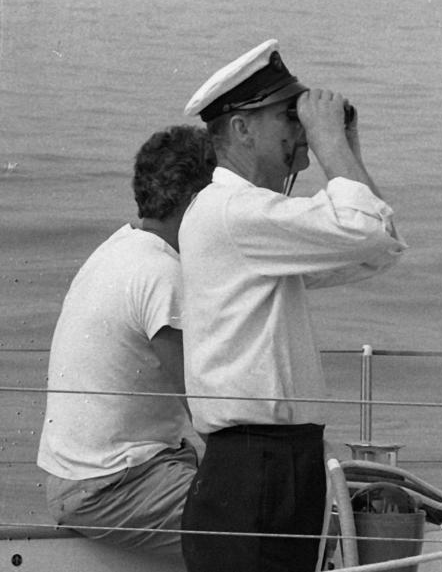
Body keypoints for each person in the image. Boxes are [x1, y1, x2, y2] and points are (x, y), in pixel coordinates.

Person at [178, 39, 406, 572]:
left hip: (278, 461)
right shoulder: (235, 212)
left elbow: (378, 248)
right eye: (288, 115)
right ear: (241, 128)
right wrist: (331, 145)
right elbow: (366, 230)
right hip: (255, 465)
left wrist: (345, 148)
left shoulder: (254, 218)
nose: (299, 129)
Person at [36, 125, 215, 555]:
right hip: (108, 486)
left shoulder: (121, 248)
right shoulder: (162, 274)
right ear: (196, 203)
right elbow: (207, 410)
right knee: (265, 522)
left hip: (89, 474)